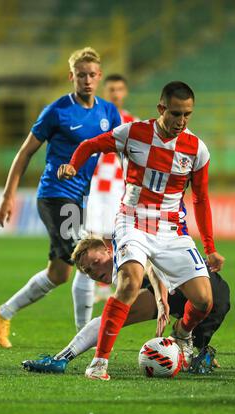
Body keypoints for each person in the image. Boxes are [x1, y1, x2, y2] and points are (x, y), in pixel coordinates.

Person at [58, 81, 225, 380]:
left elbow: (200, 198)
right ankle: (99, 363)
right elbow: (89, 146)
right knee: (130, 282)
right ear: (161, 109)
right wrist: (73, 165)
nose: (181, 121)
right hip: (133, 219)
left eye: (187, 114)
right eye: (175, 113)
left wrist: (210, 247)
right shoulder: (133, 133)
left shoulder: (197, 149)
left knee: (204, 300)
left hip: (171, 228)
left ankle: (183, 333)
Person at [0, 47, 121, 348]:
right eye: (81, 75)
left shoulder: (109, 112)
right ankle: (85, 340)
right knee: (90, 259)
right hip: (55, 196)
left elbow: (123, 149)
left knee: (59, 273)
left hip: (79, 200)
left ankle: (2, 313)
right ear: (71, 76)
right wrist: (8, 196)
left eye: (92, 75)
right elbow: (25, 153)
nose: (87, 80)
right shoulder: (57, 111)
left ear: (99, 77)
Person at [21, 237, 230, 374]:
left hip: (208, 291)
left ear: (107, 249)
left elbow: (151, 266)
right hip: (185, 295)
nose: (94, 271)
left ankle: (194, 347)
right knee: (112, 318)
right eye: (88, 271)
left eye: (95, 262)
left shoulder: (126, 248)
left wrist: (160, 298)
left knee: (113, 317)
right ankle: (61, 359)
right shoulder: (117, 271)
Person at [85, 74, 137, 303]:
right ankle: (100, 285)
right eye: (111, 89)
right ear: (105, 92)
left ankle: (117, 282)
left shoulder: (132, 122)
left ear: (124, 92)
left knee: (116, 236)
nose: (115, 93)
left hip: (120, 186)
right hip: (96, 185)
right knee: (94, 236)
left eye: (119, 89)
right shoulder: (93, 119)